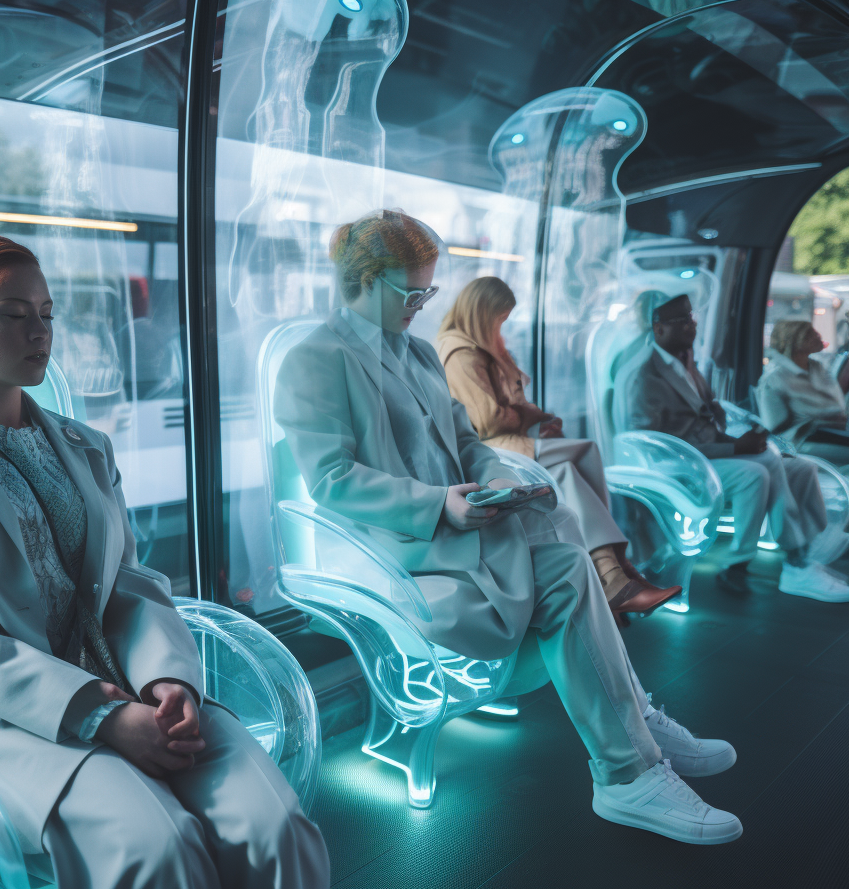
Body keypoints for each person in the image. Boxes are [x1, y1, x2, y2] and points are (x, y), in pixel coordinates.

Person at [0, 233, 329, 889]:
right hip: (0, 716)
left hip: (128, 687)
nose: (40, 334)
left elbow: (129, 586)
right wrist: (104, 716)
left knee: (276, 829)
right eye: (14, 316)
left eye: (46, 315)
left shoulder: (85, 445)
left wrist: (167, 681)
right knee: (158, 850)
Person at [276, 210, 741, 846]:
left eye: (427, 292)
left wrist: (495, 481)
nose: (421, 304)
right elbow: (330, 481)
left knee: (558, 521)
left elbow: (466, 438)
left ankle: (629, 751)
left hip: (452, 527)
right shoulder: (314, 360)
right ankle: (630, 750)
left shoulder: (416, 352)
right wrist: (441, 503)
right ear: (365, 280)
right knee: (567, 559)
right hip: (399, 548)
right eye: (412, 292)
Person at [436, 276, 679, 620]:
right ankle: (620, 569)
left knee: (567, 469)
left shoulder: (480, 346)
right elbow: (486, 419)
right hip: (491, 450)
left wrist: (535, 420)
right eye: (500, 317)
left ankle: (612, 577)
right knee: (587, 451)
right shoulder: (460, 352)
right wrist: (534, 417)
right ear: (482, 312)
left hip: (505, 442)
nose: (502, 325)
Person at [616, 294, 849, 602]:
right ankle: (776, 561)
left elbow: (710, 412)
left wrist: (739, 437)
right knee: (756, 472)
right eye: (682, 321)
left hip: (713, 449)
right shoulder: (644, 376)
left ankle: (806, 553)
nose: (692, 326)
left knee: (801, 468)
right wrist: (737, 447)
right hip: (683, 464)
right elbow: (656, 444)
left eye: (692, 318)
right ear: (657, 329)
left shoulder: (685, 361)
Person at [757, 319, 849, 473]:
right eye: (810, 333)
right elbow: (774, 425)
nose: (818, 335)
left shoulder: (817, 367)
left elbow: (837, 405)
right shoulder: (775, 378)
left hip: (827, 431)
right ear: (795, 340)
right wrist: (818, 419)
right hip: (800, 441)